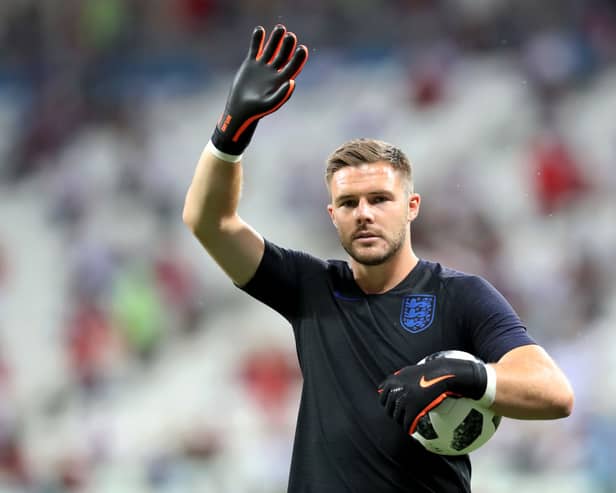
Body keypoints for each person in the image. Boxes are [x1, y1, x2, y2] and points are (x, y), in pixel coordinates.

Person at [182, 24, 575, 493]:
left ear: (411, 206)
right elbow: (210, 222)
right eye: (349, 204)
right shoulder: (309, 287)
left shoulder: (459, 295)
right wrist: (232, 128)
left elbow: (554, 392)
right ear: (332, 215)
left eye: (379, 199)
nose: (363, 214)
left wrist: (465, 374)